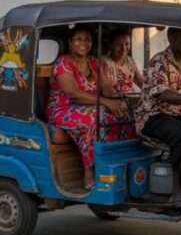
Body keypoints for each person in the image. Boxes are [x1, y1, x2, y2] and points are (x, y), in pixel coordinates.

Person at [47, 25, 129, 191]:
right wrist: (106, 102)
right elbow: (73, 93)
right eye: (79, 39)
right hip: (63, 109)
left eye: (87, 39)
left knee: (123, 115)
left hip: (92, 105)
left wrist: (118, 100)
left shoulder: (94, 62)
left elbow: (106, 87)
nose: (83, 43)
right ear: (70, 43)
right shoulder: (62, 63)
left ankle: (114, 163)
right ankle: (89, 169)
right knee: (94, 118)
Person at [135, 27, 181, 203]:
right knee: (180, 135)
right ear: (171, 38)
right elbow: (162, 93)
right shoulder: (158, 61)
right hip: (153, 116)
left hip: (179, 115)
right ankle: (175, 191)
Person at [100, 31, 143, 99]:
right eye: (118, 44)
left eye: (127, 44)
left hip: (130, 99)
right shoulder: (104, 62)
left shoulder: (130, 61)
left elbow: (141, 82)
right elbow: (106, 88)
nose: (123, 48)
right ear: (111, 45)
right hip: (112, 100)